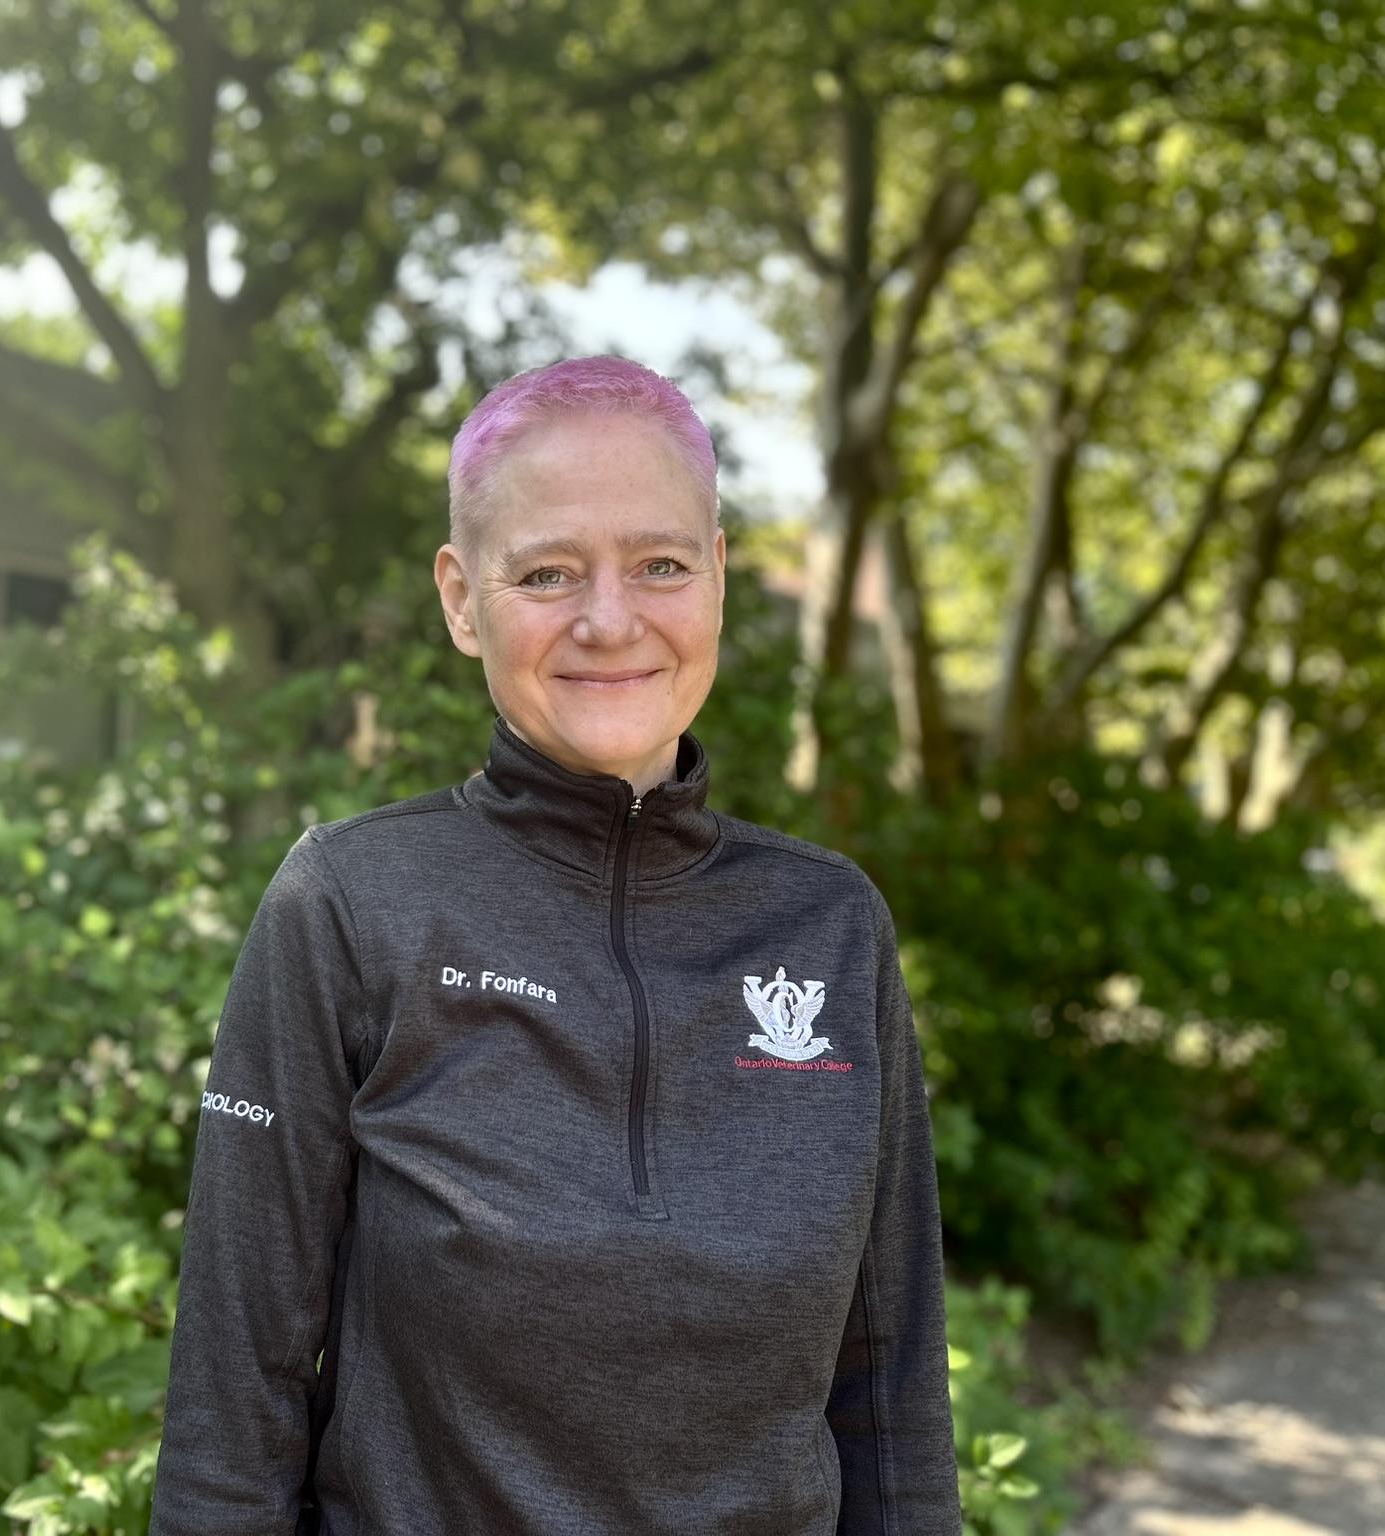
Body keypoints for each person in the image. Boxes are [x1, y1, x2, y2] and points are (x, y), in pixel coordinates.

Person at [147, 355, 960, 1535]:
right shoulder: (351, 904)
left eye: (660, 563)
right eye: (545, 572)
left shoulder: (828, 926)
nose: (609, 619)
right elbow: (233, 1400)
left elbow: (890, 1401)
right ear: (461, 598)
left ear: (718, 577)